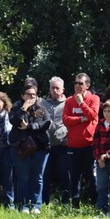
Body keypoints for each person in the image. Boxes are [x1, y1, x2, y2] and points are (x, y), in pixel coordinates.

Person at [9, 83, 51, 214]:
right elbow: (13, 121)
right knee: (23, 177)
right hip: (22, 149)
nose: (32, 97)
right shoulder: (16, 108)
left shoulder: (42, 108)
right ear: (22, 95)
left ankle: (36, 205)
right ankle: (24, 205)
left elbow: (47, 123)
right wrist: (24, 108)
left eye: (34, 94)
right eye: (28, 94)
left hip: (40, 148)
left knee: (37, 177)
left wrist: (30, 127)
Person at [62, 73, 100, 208]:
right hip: (73, 145)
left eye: (81, 83)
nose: (77, 85)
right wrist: (80, 119)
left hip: (89, 144)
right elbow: (65, 120)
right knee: (74, 177)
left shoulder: (94, 98)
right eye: (76, 83)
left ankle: (95, 204)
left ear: (87, 85)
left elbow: (92, 115)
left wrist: (81, 103)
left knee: (91, 176)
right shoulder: (68, 101)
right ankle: (75, 205)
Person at [41, 76, 70, 204]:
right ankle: (43, 202)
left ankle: (65, 202)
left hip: (63, 145)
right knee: (45, 175)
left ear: (62, 89)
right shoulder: (42, 104)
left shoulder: (69, 103)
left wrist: (68, 138)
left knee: (64, 175)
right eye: (52, 88)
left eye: (57, 88)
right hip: (46, 145)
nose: (55, 90)